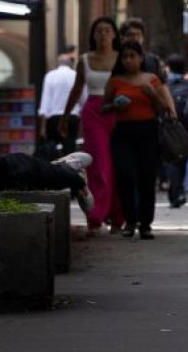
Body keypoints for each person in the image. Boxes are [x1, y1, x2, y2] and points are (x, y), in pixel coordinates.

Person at [104, 40, 176, 239]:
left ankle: (145, 223)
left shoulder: (151, 79)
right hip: (122, 133)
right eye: (125, 57)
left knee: (147, 177)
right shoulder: (115, 81)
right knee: (125, 176)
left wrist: (153, 95)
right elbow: (104, 107)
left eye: (132, 56)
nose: (128, 60)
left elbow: (164, 110)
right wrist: (114, 107)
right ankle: (130, 220)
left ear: (141, 58)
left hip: (148, 131)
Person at [60, 16, 125, 235]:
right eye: (99, 31)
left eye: (107, 30)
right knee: (98, 166)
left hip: (118, 112)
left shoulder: (122, 58)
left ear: (115, 35)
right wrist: (65, 116)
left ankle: (118, 217)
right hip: (93, 113)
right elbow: (76, 89)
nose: (103, 34)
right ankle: (96, 217)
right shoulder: (85, 60)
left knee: (116, 165)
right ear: (93, 36)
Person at [0, 149, 95, 215]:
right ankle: (63, 165)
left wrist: (81, 183)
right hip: (42, 171)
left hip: (50, 177)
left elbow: (11, 199)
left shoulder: (19, 174)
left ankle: (69, 167)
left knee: (88, 205)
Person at [163, 54, 188, 208]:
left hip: (169, 126)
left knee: (171, 160)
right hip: (186, 127)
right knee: (182, 160)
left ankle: (175, 194)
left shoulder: (165, 84)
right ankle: (178, 192)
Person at [38, 49, 81, 160]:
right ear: (71, 63)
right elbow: (82, 99)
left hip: (54, 117)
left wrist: (42, 127)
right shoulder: (76, 75)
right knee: (70, 147)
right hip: (72, 116)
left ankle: (54, 169)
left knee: (52, 149)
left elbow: (45, 103)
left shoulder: (50, 76)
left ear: (58, 63)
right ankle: (69, 170)